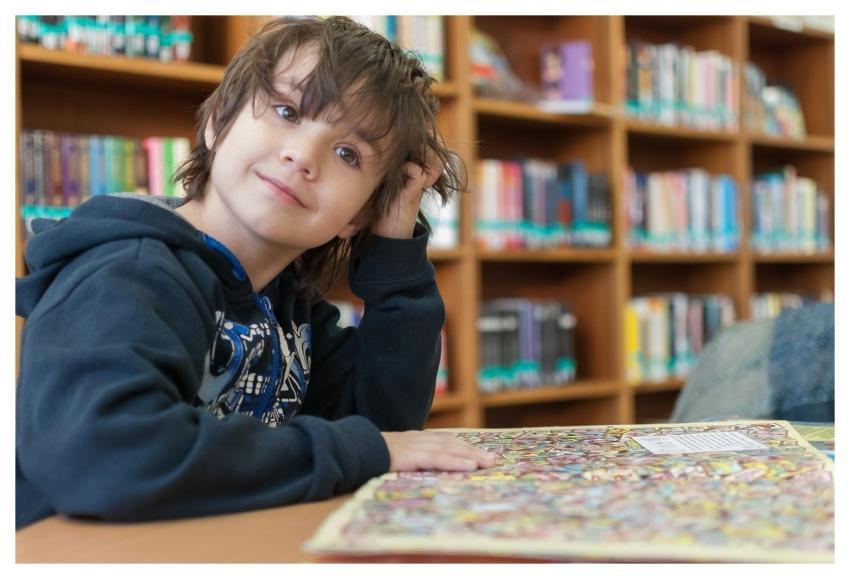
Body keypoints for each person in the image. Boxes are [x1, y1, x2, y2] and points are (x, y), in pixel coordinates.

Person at [16, 16, 495, 530]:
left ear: (357, 216)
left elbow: (380, 428)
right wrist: (359, 450)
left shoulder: (288, 305)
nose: (302, 156)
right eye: (287, 111)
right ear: (217, 120)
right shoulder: (126, 274)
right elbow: (105, 459)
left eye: (347, 154)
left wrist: (394, 241)